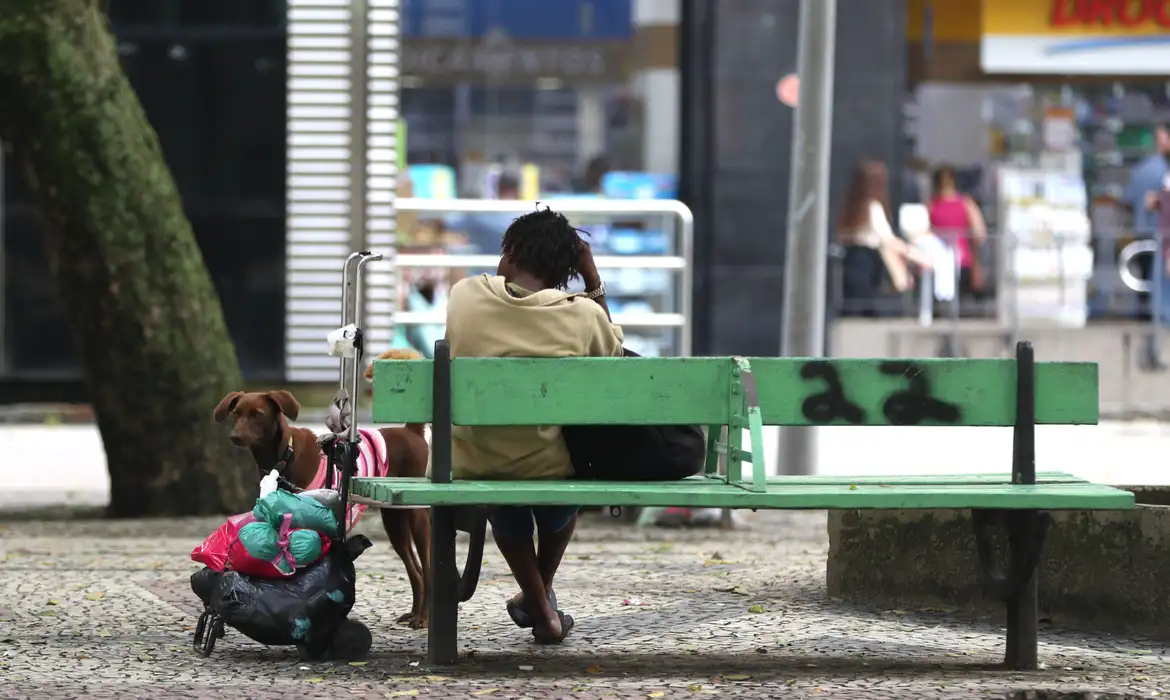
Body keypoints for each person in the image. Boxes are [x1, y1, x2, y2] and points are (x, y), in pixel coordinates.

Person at [443, 207, 622, 644]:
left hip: (473, 459)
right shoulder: (581, 315)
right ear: (565, 272)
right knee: (558, 488)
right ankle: (541, 606)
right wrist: (591, 275)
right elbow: (617, 364)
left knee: (507, 487)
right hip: (548, 464)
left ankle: (538, 604)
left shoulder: (463, 295)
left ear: (508, 253)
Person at [837, 159, 932, 317]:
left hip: (852, 261)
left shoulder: (852, 208)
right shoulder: (873, 208)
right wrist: (917, 255)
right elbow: (887, 239)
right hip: (867, 261)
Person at [1125, 123, 1170, 323]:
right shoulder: (1163, 171)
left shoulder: (1139, 170)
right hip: (1163, 234)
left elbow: (1127, 202)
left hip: (1142, 232)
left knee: (1145, 279)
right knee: (1161, 279)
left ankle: (1145, 316)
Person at [929, 165, 989, 300]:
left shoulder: (932, 205)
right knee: (959, 301)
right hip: (961, 258)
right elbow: (979, 232)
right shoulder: (966, 203)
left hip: (938, 259)